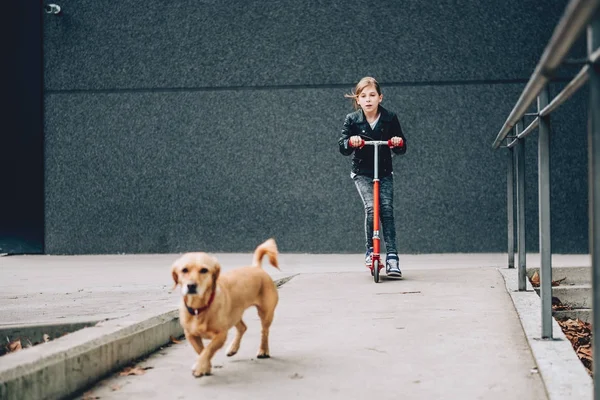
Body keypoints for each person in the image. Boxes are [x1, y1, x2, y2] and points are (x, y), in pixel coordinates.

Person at [338, 76, 407, 278]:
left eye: (372, 95)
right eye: (363, 96)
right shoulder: (352, 120)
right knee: (371, 207)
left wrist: (397, 141)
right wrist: (351, 141)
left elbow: (403, 145)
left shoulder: (389, 118)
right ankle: (370, 250)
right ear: (358, 100)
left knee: (386, 209)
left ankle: (392, 256)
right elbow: (342, 146)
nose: (368, 99)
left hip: (384, 172)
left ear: (380, 97)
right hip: (362, 172)